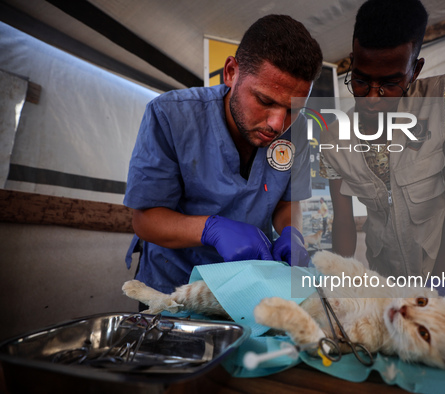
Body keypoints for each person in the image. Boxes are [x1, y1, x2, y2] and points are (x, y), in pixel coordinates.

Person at [124, 15, 323, 294]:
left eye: (294, 109)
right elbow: (144, 220)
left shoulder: (297, 132)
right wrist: (210, 229)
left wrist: (293, 234)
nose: (278, 124)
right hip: (174, 286)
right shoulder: (171, 116)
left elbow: (286, 202)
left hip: (247, 285)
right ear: (231, 72)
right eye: (265, 101)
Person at [319, 0, 445, 283]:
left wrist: (437, 297)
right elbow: (343, 220)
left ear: (414, 71)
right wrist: (340, 286)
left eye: (390, 84)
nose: (370, 99)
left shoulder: (443, 99)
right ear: (353, 61)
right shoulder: (334, 138)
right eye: (359, 80)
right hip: (387, 282)